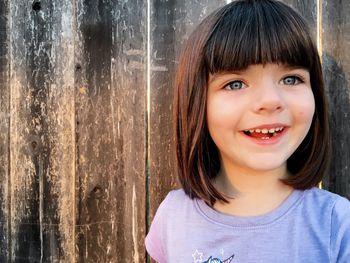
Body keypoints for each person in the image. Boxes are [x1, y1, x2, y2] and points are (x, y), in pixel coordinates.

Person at [145, 0, 350, 262]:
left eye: (290, 79)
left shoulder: (337, 225)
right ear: (196, 103)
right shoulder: (173, 218)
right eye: (235, 84)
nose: (270, 100)